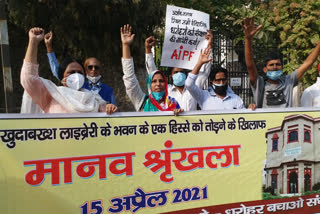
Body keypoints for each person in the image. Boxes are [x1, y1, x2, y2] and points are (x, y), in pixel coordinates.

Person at [21, 27, 117, 114]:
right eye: (71, 72)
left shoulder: (93, 98)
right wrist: (33, 42)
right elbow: (30, 79)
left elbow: (106, 111)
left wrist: (109, 107)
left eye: (80, 73)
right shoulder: (52, 94)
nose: (76, 75)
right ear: (62, 76)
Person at [243, 17, 320, 108]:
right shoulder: (260, 83)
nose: (275, 67)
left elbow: (308, 62)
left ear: (282, 68)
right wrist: (248, 39)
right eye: (271, 65)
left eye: (278, 64)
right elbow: (250, 65)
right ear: (265, 69)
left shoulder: (288, 81)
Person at [121, 24, 183, 114]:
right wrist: (125, 45)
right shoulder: (142, 101)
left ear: (165, 84)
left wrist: (179, 115)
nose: (158, 84)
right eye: (154, 81)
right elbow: (130, 79)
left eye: (161, 81)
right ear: (149, 84)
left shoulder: (173, 103)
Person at [144, 31, 213, 111]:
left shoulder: (194, 88)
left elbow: (204, 73)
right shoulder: (166, 90)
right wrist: (148, 49)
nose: (179, 74)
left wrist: (209, 45)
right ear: (170, 76)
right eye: (176, 72)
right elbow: (153, 73)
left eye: (182, 72)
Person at [44, 31, 117, 106]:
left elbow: (115, 111)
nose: (93, 69)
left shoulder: (108, 90)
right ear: (85, 70)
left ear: (100, 70)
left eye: (96, 67)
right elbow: (58, 72)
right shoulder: (78, 85)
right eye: (90, 67)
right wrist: (49, 47)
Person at [185, 48, 256, 110]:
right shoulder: (203, 96)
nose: (221, 83)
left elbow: (243, 117)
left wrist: (249, 110)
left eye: (223, 80)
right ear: (211, 82)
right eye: (218, 80)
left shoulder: (236, 99)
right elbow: (189, 84)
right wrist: (199, 63)